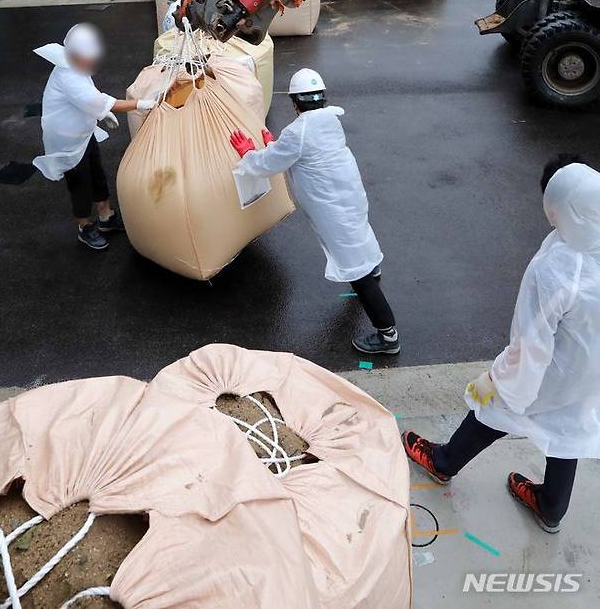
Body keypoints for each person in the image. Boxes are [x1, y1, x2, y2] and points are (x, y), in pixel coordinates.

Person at [403, 155, 600, 534]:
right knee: (568, 431)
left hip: (556, 371)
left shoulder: (557, 268)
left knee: (493, 407)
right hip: (592, 374)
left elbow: (531, 346)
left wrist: (495, 379)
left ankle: (442, 463)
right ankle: (551, 507)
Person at [229, 68, 400, 355]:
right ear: (322, 99)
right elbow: (304, 153)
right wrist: (277, 145)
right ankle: (372, 267)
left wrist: (248, 152)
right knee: (360, 234)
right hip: (349, 195)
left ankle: (388, 336)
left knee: (354, 268)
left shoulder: (297, 131)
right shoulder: (330, 119)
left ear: (295, 103)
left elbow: (267, 164)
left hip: (331, 208)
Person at [33, 23, 158, 250]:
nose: (92, 62)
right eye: (87, 58)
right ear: (74, 55)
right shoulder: (68, 75)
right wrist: (140, 104)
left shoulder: (75, 66)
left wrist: (101, 114)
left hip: (82, 132)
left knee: (97, 173)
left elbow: (90, 100)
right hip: (67, 140)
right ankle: (85, 226)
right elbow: (97, 100)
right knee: (80, 184)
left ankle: (106, 217)